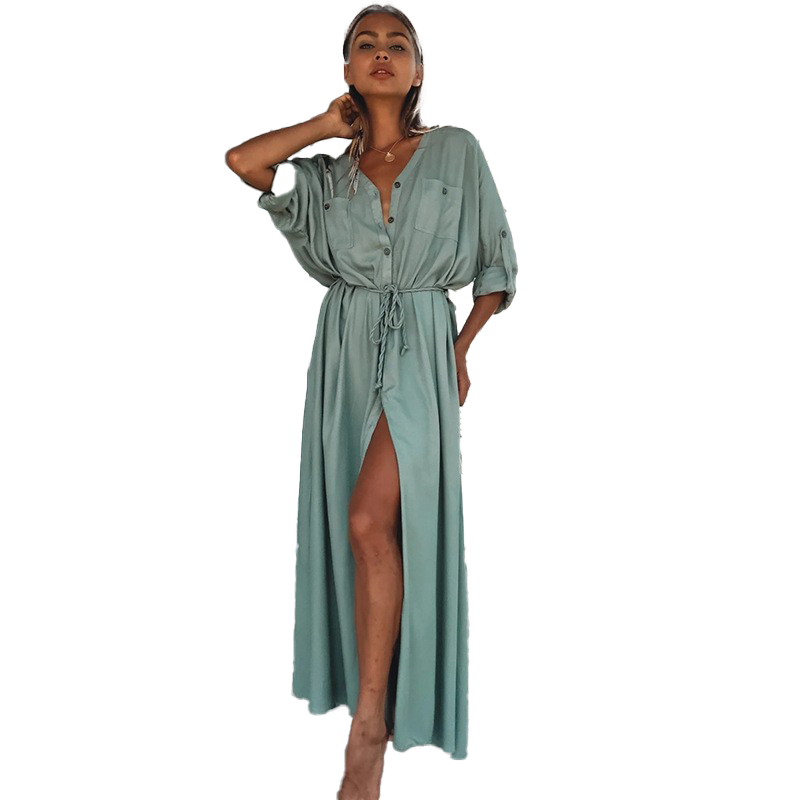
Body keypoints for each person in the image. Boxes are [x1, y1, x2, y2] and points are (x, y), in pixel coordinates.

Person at [225, 6, 517, 798]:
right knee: (361, 529)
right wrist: (327, 125)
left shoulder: (456, 150)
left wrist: (460, 350)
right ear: (348, 69)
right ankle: (369, 709)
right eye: (366, 45)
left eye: (398, 45)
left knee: (366, 519)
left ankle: (369, 729)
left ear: (418, 70)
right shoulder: (329, 176)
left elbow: (496, 263)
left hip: (422, 343)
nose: (383, 54)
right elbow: (244, 161)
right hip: (346, 349)